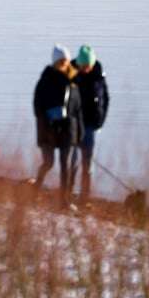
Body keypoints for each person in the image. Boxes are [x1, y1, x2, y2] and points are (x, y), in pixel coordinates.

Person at [31, 44, 83, 209]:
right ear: (54, 62)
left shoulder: (73, 83)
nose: (64, 64)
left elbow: (77, 109)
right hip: (49, 130)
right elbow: (37, 107)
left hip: (68, 130)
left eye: (66, 61)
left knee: (65, 165)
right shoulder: (45, 81)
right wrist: (49, 120)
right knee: (49, 162)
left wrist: (79, 130)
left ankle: (64, 200)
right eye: (61, 61)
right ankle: (35, 189)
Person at [71, 45, 110, 201]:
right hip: (73, 125)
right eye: (83, 66)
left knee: (88, 165)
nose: (86, 68)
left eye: (88, 65)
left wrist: (101, 120)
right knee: (71, 162)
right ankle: (66, 193)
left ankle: (84, 197)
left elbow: (105, 98)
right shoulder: (71, 75)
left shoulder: (99, 75)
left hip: (91, 125)